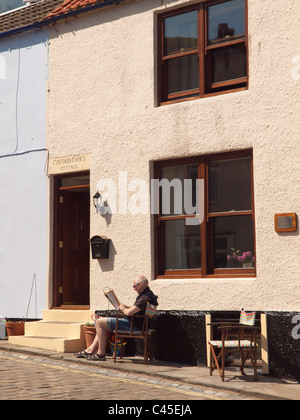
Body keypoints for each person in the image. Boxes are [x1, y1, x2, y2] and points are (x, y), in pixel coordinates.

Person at [74, 275, 158, 361]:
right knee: (102, 323)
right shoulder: (148, 295)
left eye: (134, 286)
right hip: (136, 323)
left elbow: (129, 312)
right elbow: (138, 309)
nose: (134, 288)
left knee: (99, 322)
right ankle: (90, 350)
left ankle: (100, 354)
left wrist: (122, 308)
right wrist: (126, 306)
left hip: (133, 325)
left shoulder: (145, 297)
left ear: (140, 284)